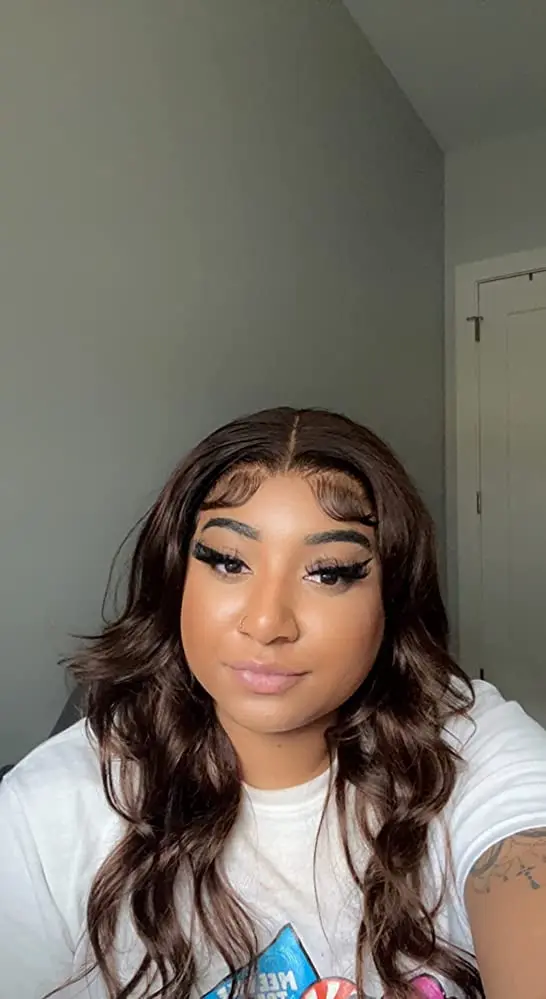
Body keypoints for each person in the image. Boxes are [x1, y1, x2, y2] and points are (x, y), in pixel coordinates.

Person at [1, 407, 546, 999]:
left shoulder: (470, 745)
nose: (266, 623)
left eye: (329, 573)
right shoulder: (42, 814)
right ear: (176, 575)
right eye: (228, 562)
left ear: (391, 597)